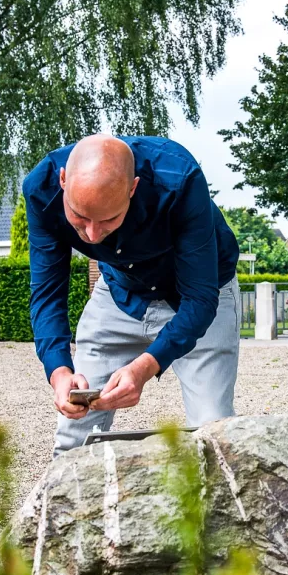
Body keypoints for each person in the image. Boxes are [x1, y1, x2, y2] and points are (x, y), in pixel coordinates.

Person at [23, 134, 241, 457]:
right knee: (72, 440)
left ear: (133, 188)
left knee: (213, 437)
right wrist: (59, 372)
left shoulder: (180, 179)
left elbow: (200, 299)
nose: (93, 235)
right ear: (63, 181)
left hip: (198, 296)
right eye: (80, 217)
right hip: (118, 292)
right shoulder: (41, 189)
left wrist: (143, 368)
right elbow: (47, 292)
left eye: (108, 219)